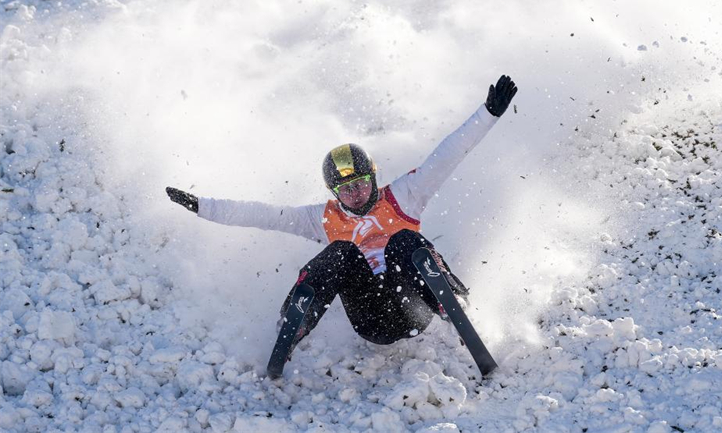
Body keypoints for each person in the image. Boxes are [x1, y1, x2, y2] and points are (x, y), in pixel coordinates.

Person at [166, 75, 518, 355]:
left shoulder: (406, 195)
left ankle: (451, 302)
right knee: (341, 251)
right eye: (344, 190)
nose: (354, 194)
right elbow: (263, 215)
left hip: (416, 305)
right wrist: (203, 206)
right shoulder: (322, 218)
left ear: (373, 177)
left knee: (404, 240)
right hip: (372, 319)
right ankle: (298, 319)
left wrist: (488, 112)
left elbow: (448, 154)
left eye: (361, 184)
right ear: (334, 193)